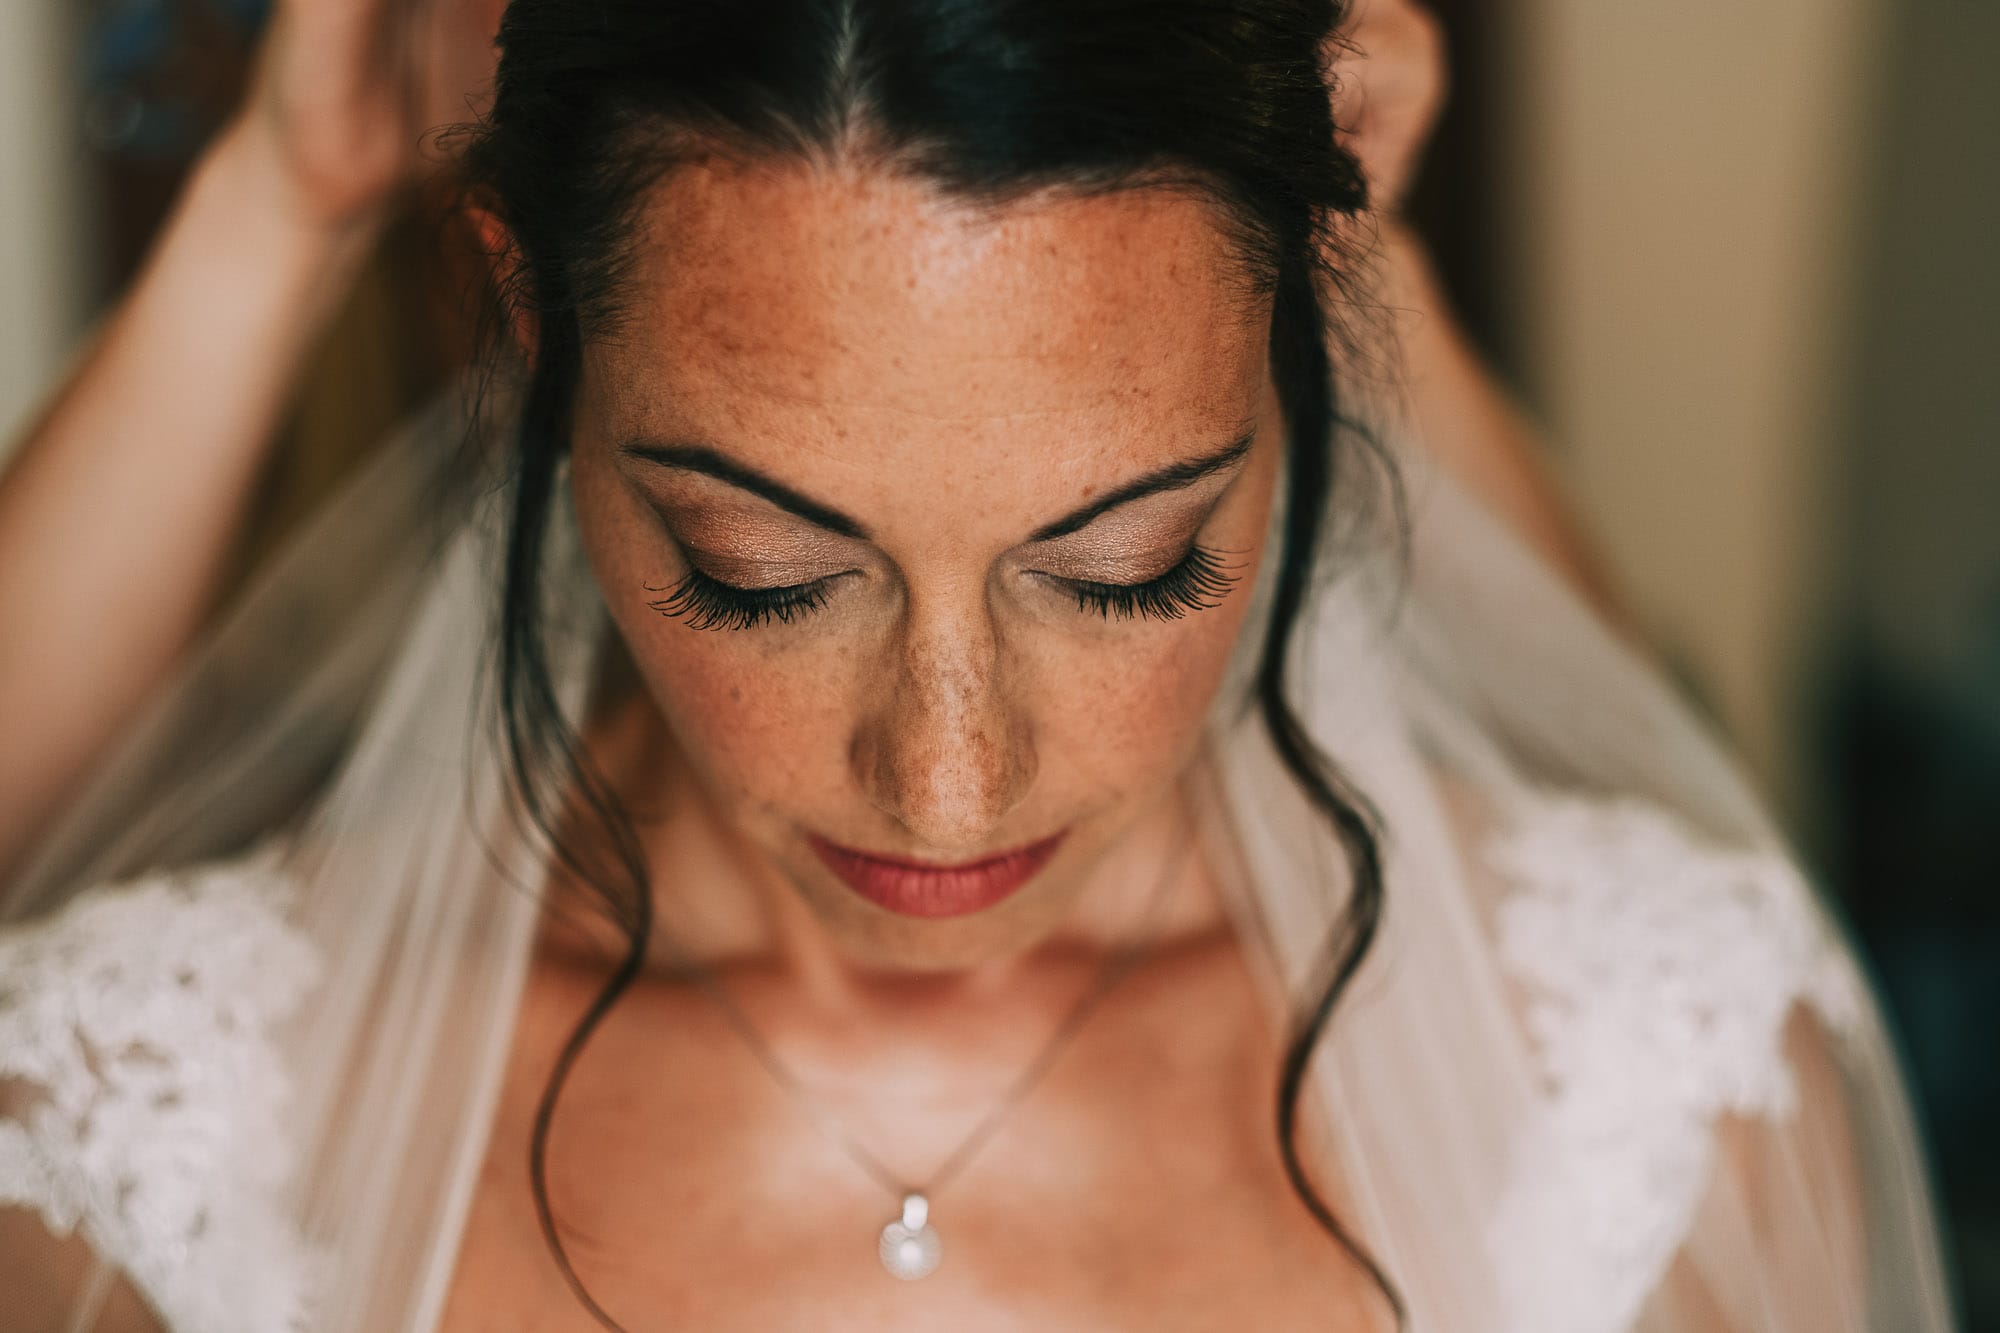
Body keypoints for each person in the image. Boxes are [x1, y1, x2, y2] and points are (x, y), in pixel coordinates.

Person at [0, 0, 1954, 1329]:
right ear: (532, 313)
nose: (948, 780)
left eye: (1126, 569)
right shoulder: (145, 1127)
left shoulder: (1655, 1074)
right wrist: (276, 204)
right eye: (760, 572)